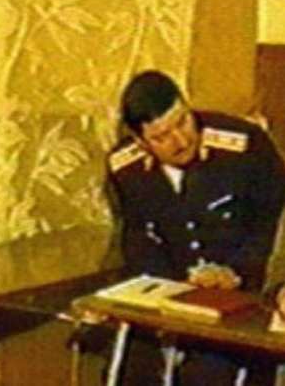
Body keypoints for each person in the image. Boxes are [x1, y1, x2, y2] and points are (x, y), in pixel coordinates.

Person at [103, 70, 285, 385]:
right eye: (162, 137)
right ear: (140, 141)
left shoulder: (244, 146)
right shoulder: (126, 169)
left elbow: (273, 222)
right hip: (171, 297)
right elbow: (137, 237)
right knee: (128, 366)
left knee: (207, 373)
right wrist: (169, 289)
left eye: (183, 122)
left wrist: (239, 272)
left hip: (245, 298)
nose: (181, 140)